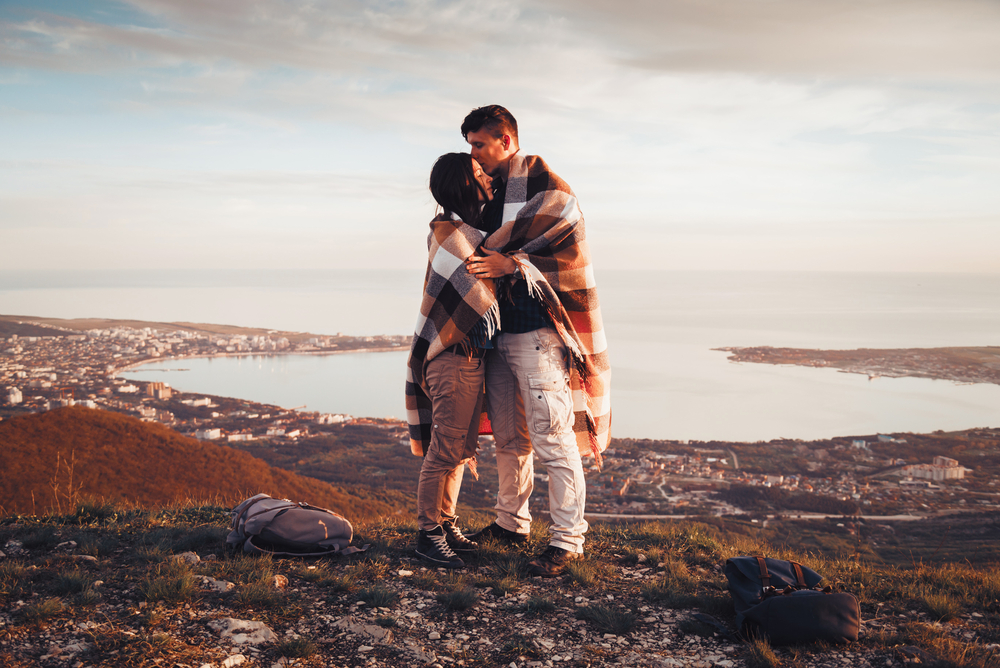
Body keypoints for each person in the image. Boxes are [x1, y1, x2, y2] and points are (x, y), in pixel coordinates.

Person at [461, 105, 612, 577]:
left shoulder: (551, 191)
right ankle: (512, 524)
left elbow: (564, 258)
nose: (475, 154)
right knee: (509, 436)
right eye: (470, 145)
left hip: (538, 334)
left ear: (506, 140)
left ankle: (568, 540)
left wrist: (515, 264)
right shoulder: (488, 193)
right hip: (498, 334)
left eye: (480, 144)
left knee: (553, 436)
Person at [405, 152, 499, 569]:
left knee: (462, 449)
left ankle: (445, 522)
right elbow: (468, 294)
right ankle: (428, 534)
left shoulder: (475, 233)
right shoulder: (449, 233)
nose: (487, 177)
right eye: (478, 173)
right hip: (452, 359)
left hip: (472, 359)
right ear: (463, 183)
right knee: (444, 449)